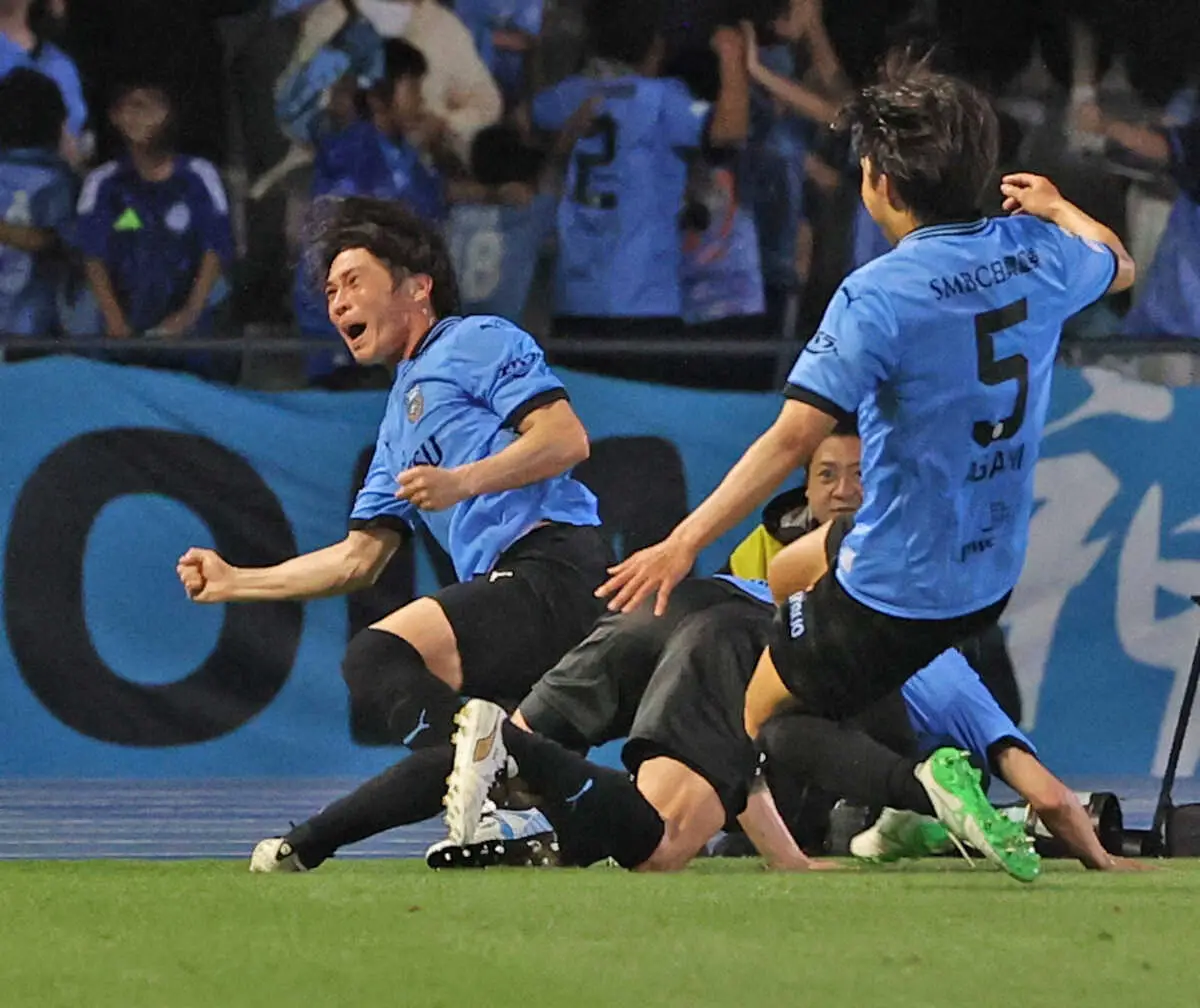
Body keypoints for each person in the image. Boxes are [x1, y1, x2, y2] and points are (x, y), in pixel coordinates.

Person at [452, 58, 1136, 882]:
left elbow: (789, 441)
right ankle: (828, 835)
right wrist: (1059, 208)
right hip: (986, 571)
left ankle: (905, 789)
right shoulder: (1038, 252)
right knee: (788, 576)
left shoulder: (880, 293)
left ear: (881, 182)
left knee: (743, 722)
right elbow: (1119, 263)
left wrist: (681, 542)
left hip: (894, 589)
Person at [173, 197, 609, 870]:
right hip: (514, 591)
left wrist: (462, 482)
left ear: (417, 287)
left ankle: (501, 786)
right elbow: (358, 560)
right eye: (329, 292)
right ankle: (306, 848)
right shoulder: (395, 426)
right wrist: (236, 582)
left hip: (556, 569)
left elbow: (564, 438)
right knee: (460, 756)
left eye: (353, 281)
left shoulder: (475, 339)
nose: (338, 303)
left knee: (377, 659)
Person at [532, 0, 748, 379]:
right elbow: (729, 131)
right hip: (642, 304)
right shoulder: (660, 100)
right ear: (655, 45)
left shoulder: (568, 95)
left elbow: (527, 120)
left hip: (573, 302)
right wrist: (732, 58)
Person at [75, 83, 234, 344]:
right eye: (133, 106)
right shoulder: (102, 182)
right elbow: (93, 255)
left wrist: (189, 314)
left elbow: (215, 248)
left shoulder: (200, 175)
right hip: (122, 326)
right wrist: (115, 320)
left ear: (171, 113)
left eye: (152, 106)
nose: (141, 116)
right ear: (115, 117)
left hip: (190, 327)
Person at [0, 67, 75, 338]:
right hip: (37, 331)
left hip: (32, 324)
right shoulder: (63, 179)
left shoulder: (57, 180)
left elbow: (55, 241)